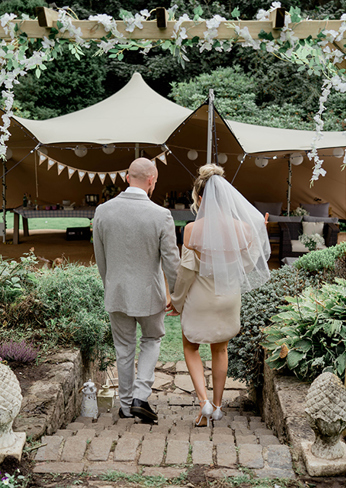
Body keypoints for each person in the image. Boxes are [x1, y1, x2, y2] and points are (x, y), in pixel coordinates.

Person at [167, 164, 271, 426]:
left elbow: (187, 273)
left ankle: (203, 403)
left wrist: (177, 301)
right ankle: (217, 405)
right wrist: (261, 232)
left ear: (200, 198)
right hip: (229, 298)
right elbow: (246, 266)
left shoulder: (191, 230)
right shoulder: (244, 229)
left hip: (200, 299)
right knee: (221, 349)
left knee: (191, 346)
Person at [93, 157, 180, 423]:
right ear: (152, 180)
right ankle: (142, 395)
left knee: (123, 347)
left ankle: (127, 405)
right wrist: (176, 295)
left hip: (116, 291)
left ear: (127, 177)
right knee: (152, 339)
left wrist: (112, 285)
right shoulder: (161, 215)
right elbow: (171, 261)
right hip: (149, 294)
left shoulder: (103, 211)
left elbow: (101, 258)